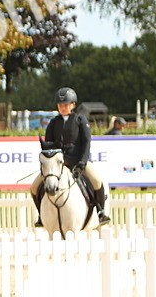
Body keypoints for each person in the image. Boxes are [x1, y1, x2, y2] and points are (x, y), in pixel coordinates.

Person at [29, 87, 111, 226]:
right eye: (60, 105)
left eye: (66, 104)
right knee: (34, 187)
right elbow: (49, 147)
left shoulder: (80, 120)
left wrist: (82, 163)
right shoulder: (53, 123)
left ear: (73, 105)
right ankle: (41, 216)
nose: (62, 107)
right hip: (58, 165)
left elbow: (86, 142)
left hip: (77, 161)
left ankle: (101, 212)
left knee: (97, 181)